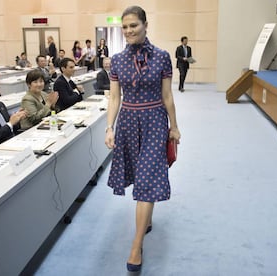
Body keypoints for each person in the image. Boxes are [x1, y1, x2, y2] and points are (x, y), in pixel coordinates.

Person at [104, 6, 180, 272]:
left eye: (133, 26)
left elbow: (167, 96)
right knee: (140, 175)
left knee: (147, 177)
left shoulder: (162, 57)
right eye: (124, 27)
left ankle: (136, 246)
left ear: (145, 25)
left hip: (155, 122)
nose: (128, 31)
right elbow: (114, 97)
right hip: (128, 122)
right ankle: (146, 221)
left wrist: (175, 126)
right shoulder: (116, 60)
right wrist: (109, 127)